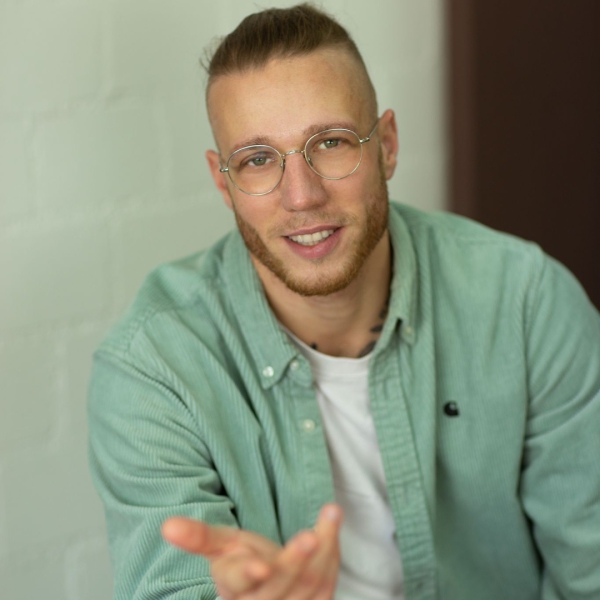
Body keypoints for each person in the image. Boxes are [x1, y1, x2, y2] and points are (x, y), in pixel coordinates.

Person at [88, 4, 600, 600]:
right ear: (224, 183)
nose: (301, 196)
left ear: (387, 146)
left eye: (330, 143)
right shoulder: (153, 367)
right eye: (257, 160)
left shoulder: (526, 304)